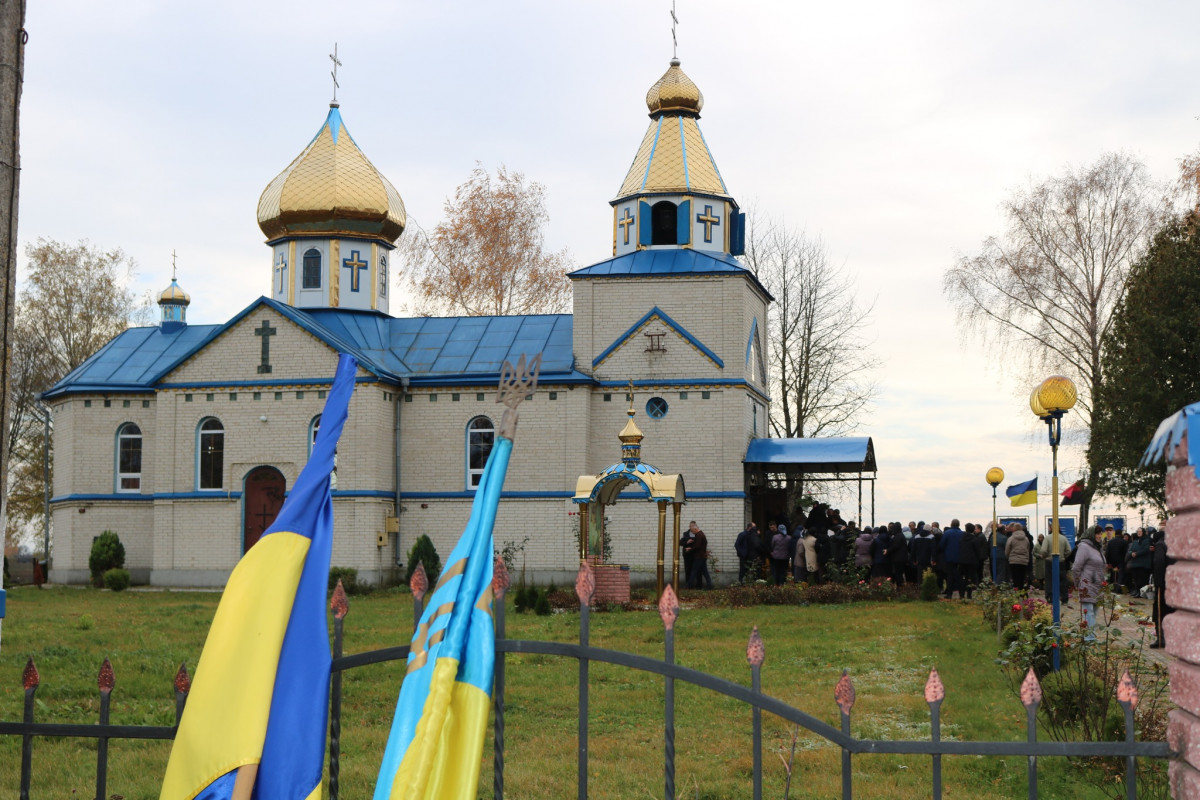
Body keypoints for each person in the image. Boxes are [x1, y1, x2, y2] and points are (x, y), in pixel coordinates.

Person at [1071, 525, 1105, 638]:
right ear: (1091, 534)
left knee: (1094, 611)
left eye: (1100, 533)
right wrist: (1077, 583)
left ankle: (1091, 635)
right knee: (1088, 611)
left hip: (1098, 584)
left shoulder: (1098, 548)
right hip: (1087, 583)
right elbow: (1076, 567)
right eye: (1097, 533)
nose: (1099, 536)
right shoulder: (1084, 547)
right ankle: (1089, 638)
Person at [1150, 527, 1172, 648]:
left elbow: (1159, 563)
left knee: (1159, 610)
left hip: (1164, 584)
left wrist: (1158, 583)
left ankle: (1161, 639)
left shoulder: (1160, 544)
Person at [937, 519, 965, 598]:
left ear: (951, 524)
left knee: (949, 576)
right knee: (959, 576)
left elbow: (941, 545)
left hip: (948, 557)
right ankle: (962, 595)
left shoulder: (947, 533)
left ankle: (949, 594)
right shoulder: (962, 534)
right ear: (959, 525)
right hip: (960, 558)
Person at [684, 520, 712, 590]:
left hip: (699, 557)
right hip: (702, 556)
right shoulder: (701, 534)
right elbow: (701, 545)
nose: (693, 532)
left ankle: (688, 585)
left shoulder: (699, 535)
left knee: (693, 571)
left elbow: (697, 546)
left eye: (693, 531)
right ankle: (709, 585)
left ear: (696, 529)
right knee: (705, 572)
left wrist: (689, 549)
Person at [1126, 527, 1152, 598]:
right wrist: (1132, 553)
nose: (1139, 533)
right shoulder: (1135, 541)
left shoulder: (1146, 540)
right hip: (1135, 563)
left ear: (1143, 532)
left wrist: (1136, 554)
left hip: (1142, 564)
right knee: (1135, 579)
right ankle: (1137, 591)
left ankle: (1141, 592)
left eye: (1140, 531)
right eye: (1137, 531)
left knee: (1141, 579)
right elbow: (1130, 550)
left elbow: (1145, 549)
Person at [1005, 522, 1031, 590]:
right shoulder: (1026, 538)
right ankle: (1022, 592)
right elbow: (1028, 549)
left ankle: (1016, 593)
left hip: (1013, 560)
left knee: (1014, 578)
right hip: (1023, 561)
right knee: (1022, 578)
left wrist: (1009, 557)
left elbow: (1007, 550)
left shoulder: (1011, 538)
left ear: (1014, 529)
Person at [1104, 525, 1128, 589]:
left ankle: (1112, 587)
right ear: (1121, 534)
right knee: (1120, 576)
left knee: (1113, 575)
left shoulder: (1110, 542)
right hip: (1121, 562)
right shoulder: (1124, 542)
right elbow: (1126, 553)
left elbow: (1107, 553)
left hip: (1112, 562)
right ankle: (1118, 588)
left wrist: (1108, 562)